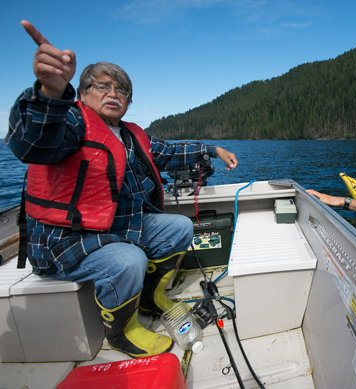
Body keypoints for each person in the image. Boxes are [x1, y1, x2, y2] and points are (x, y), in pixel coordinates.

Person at [5, 20, 238, 358]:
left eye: (122, 90)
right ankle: (123, 331)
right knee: (130, 260)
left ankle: (148, 297)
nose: (113, 94)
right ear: (83, 93)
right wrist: (50, 94)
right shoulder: (69, 122)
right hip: (64, 239)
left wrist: (212, 150)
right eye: (102, 86)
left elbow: (169, 152)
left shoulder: (130, 135)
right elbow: (33, 143)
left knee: (179, 227)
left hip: (117, 228)